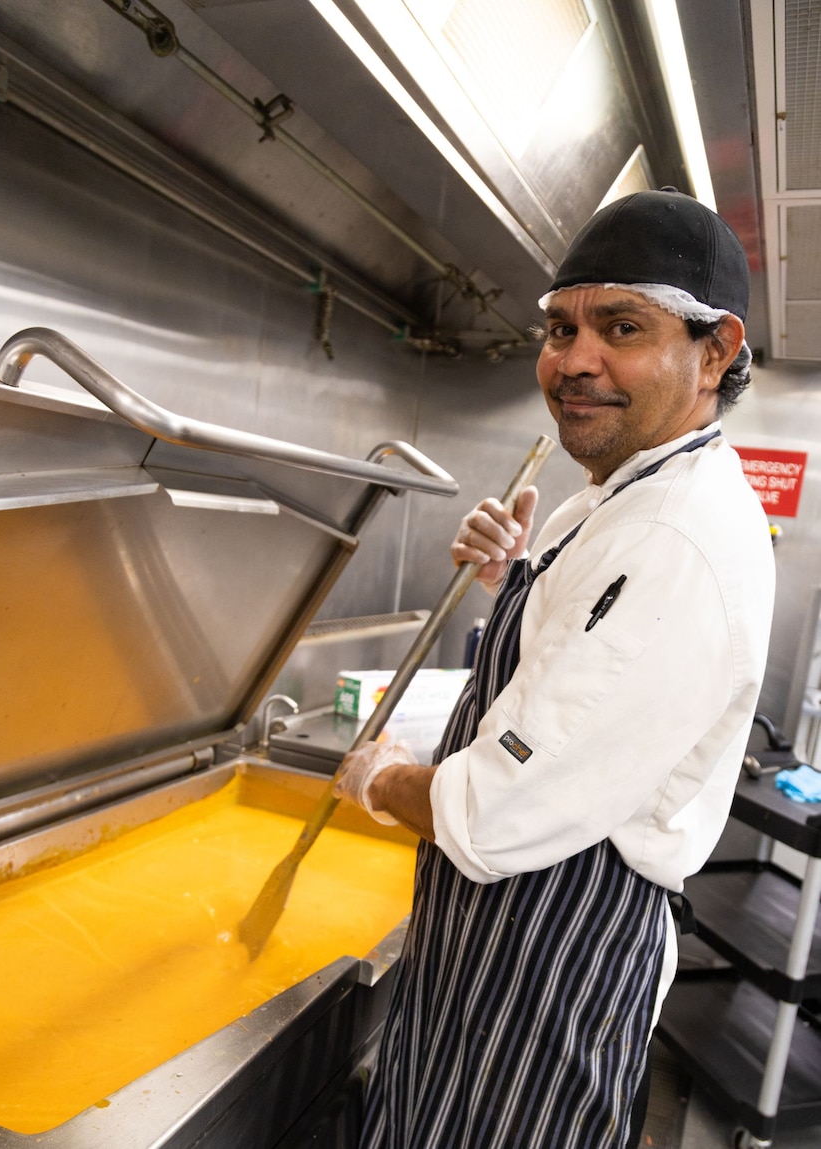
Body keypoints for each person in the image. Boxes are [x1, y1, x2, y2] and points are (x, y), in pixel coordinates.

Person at [334, 188, 776, 1149]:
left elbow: (493, 811)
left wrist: (378, 780)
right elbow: (577, 686)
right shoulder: (617, 500)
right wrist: (517, 580)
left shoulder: (680, 532)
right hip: (484, 946)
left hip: (550, 957)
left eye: (622, 327)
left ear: (715, 350)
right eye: (560, 327)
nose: (574, 360)